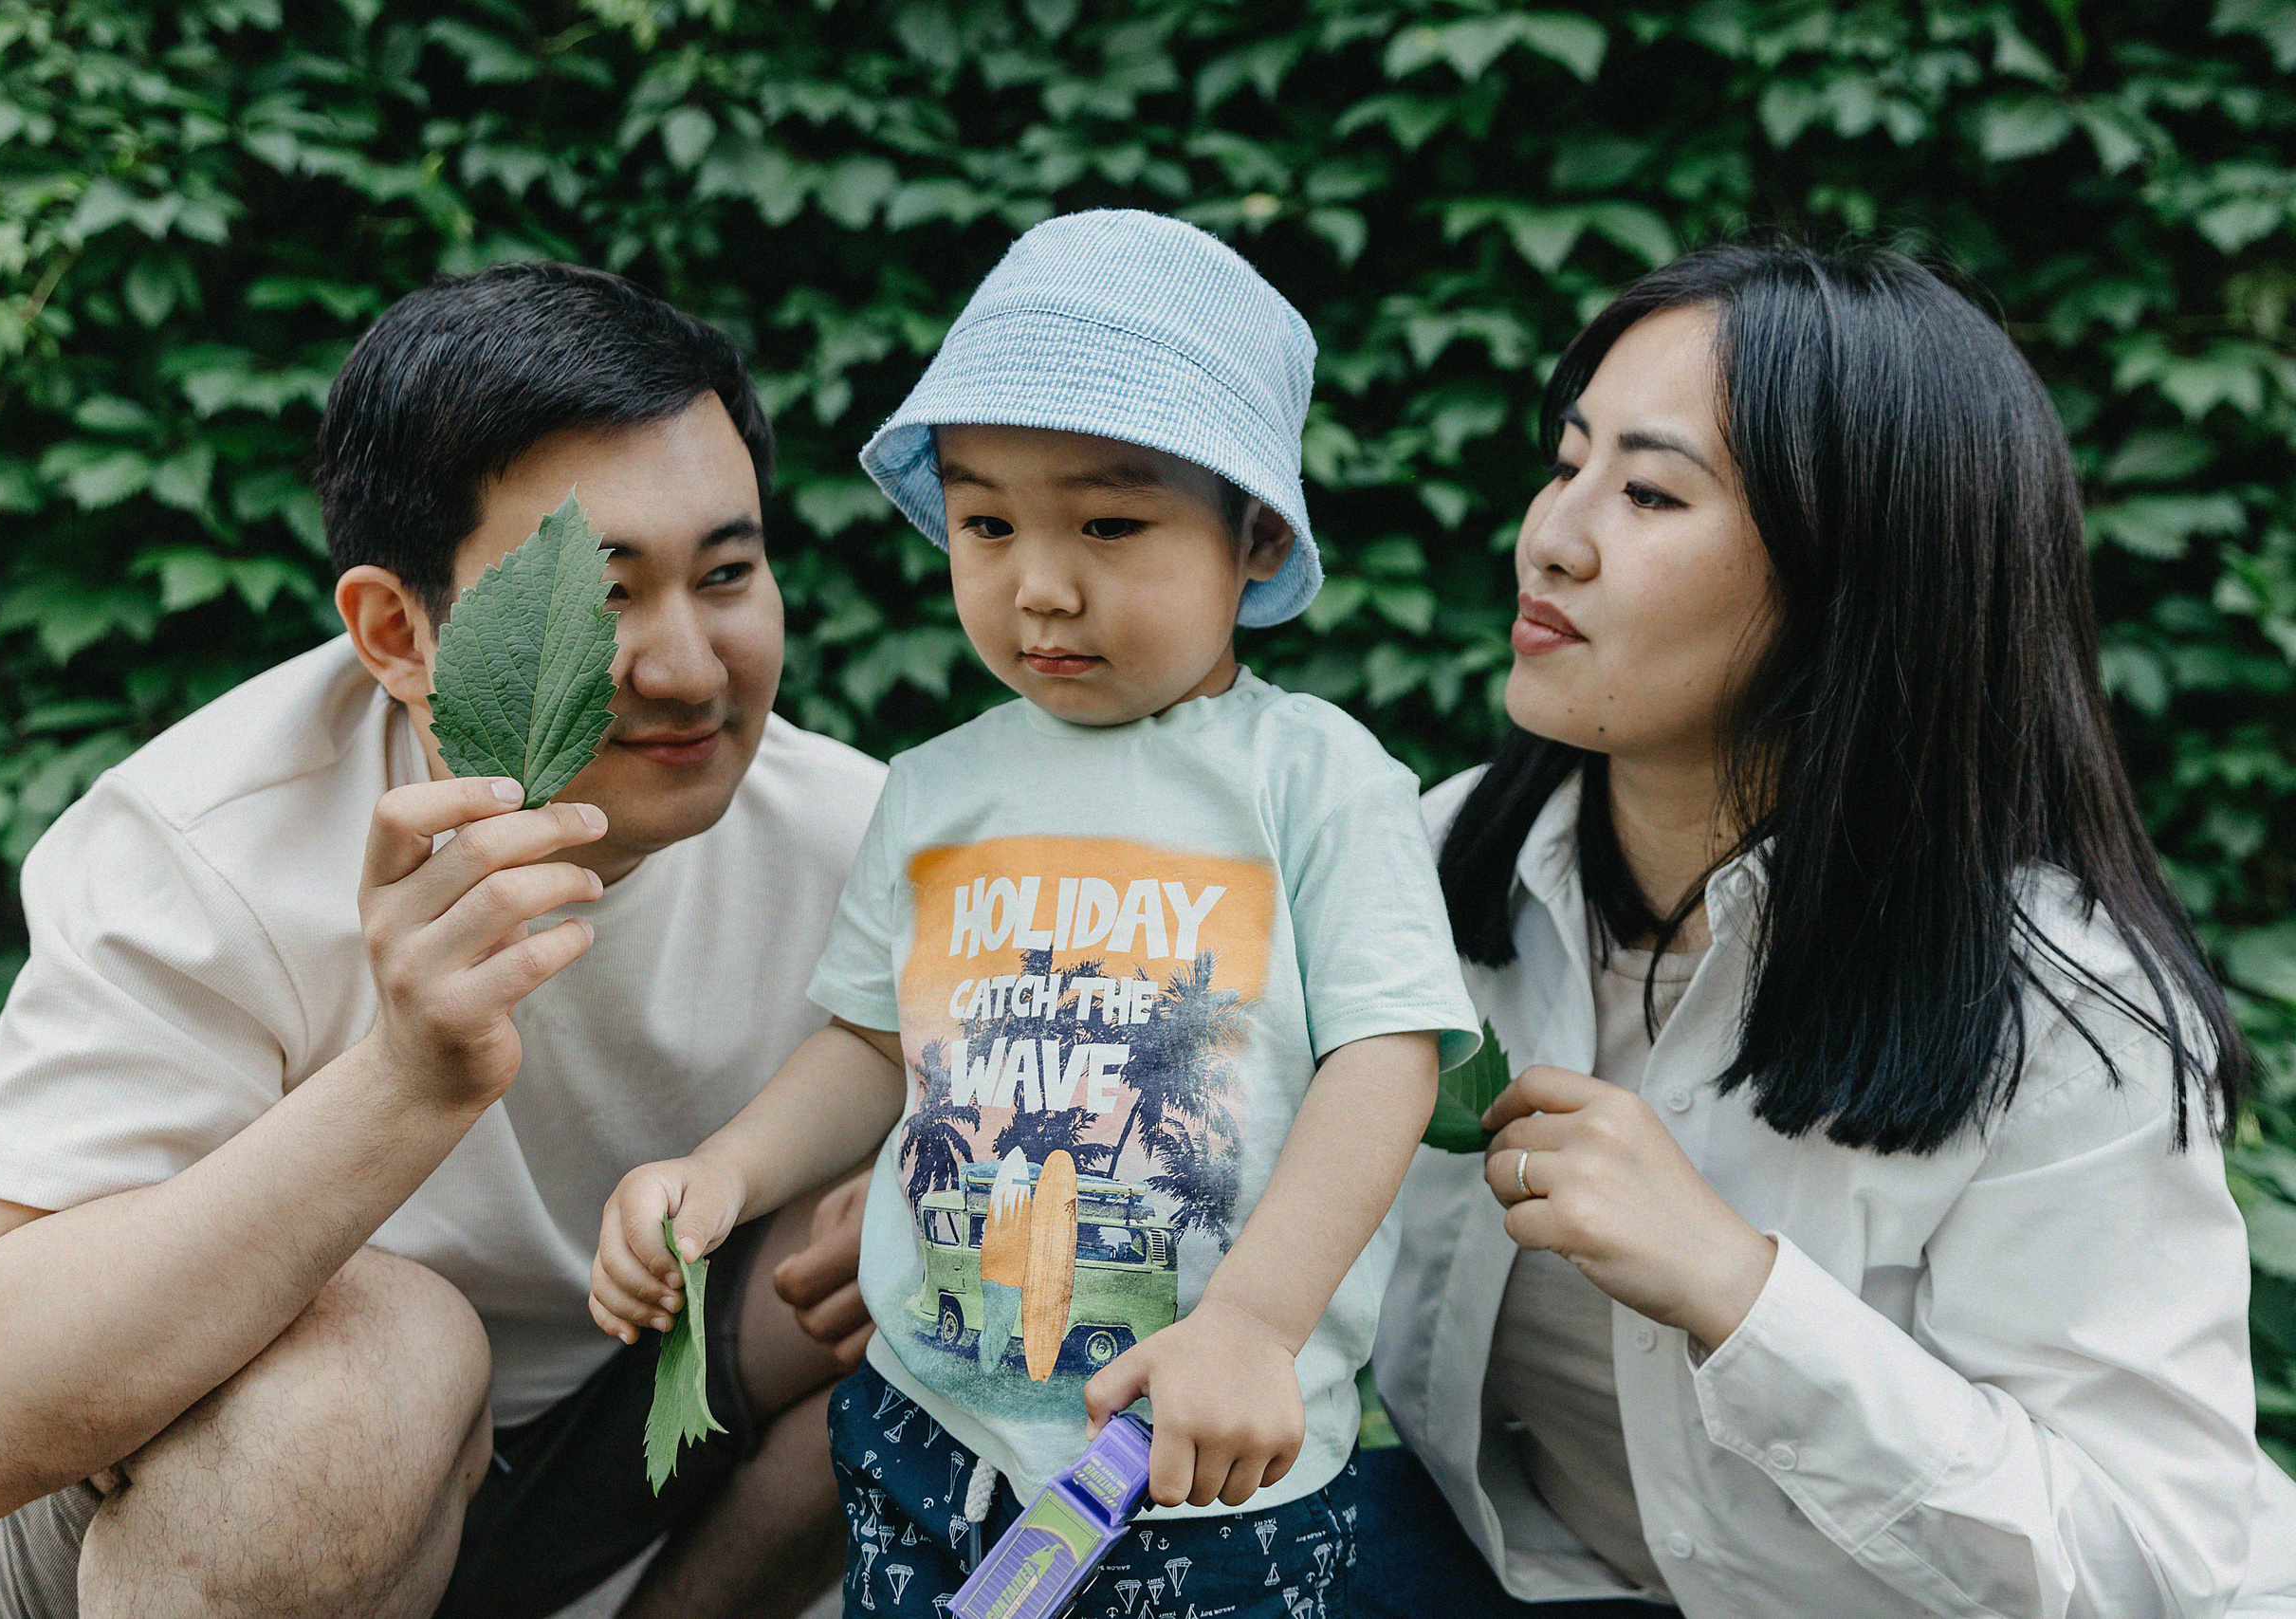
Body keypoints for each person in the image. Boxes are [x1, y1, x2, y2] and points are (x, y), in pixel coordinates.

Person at [0, 262, 886, 1619]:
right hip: (163, 1514)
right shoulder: (206, 850)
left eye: (727, 573)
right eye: (595, 599)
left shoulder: (868, 843)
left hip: (601, 1470)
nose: (689, 669)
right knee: (377, 1371)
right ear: (394, 631)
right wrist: (406, 1080)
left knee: (935, 1243)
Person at [1353, 241, 2296, 1617]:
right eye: (1567, 464)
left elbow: (2152, 1571)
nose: (1552, 535)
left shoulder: (2067, 1016)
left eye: (1652, 490)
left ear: (1857, 580)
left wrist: (1740, 1295)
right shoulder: (1430, 872)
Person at [588, 210, 1482, 1619]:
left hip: (1197, 1459)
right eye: (987, 522)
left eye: (1110, 523)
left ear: (1254, 539)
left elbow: (1391, 1056)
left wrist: (1251, 1325)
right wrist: (726, 1173)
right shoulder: (940, 788)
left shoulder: (1311, 779)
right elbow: (877, 1044)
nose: (1039, 586)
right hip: (925, 1434)